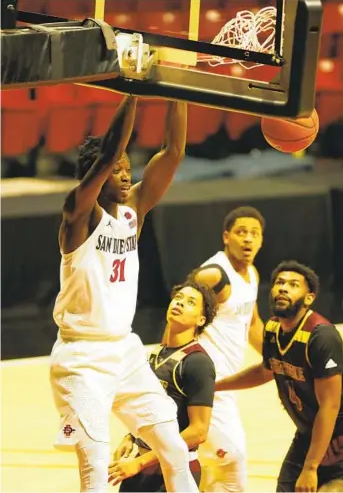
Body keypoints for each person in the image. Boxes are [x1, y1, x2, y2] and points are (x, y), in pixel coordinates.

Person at [49, 96, 199, 493]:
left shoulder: (133, 211)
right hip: (82, 359)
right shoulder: (78, 216)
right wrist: (132, 92)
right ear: (95, 176)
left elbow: (174, 151)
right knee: (96, 470)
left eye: (128, 169)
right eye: (116, 170)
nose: (125, 175)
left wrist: (179, 90)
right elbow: (110, 150)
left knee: (174, 449)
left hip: (125, 352)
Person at [216, 260, 343, 492]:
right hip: (308, 434)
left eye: (293, 285)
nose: (283, 288)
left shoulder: (321, 337)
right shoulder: (273, 329)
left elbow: (330, 406)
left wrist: (311, 467)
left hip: (338, 437)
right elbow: (266, 370)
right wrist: (216, 387)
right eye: (279, 283)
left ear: (309, 298)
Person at [108, 279, 218, 491]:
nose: (180, 303)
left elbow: (198, 431)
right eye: (178, 298)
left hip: (174, 469)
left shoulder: (198, 363)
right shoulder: (155, 355)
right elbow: (145, 408)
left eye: (190, 302)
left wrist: (140, 461)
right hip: (141, 466)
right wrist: (131, 437)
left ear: (201, 319)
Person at [185, 206, 265, 492]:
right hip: (206, 388)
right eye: (241, 232)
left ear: (261, 241)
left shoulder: (251, 274)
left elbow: (253, 323)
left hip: (228, 388)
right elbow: (179, 315)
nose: (247, 239)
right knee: (232, 461)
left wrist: (279, 356)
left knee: (211, 475)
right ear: (226, 236)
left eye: (254, 234)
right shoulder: (214, 275)